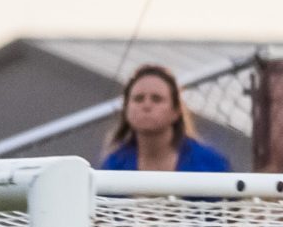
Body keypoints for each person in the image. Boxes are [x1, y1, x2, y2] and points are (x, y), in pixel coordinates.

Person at [99, 64, 232, 174]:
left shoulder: (210, 165)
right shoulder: (114, 165)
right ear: (126, 108)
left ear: (176, 111)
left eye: (157, 99)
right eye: (138, 99)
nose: (147, 105)